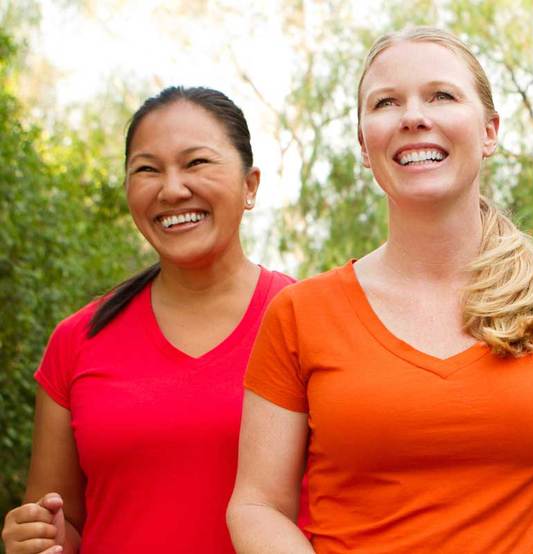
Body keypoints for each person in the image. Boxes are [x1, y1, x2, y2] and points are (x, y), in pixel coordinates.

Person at [227, 26, 533, 553]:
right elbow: (257, 506)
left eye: (441, 96)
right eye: (386, 103)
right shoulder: (299, 314)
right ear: (364, 143)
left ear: (490, 131)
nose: (412, 117)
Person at [1, 86, 306, 554]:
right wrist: (37, 538)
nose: (171, 189)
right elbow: (61, 522)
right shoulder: (77, 339)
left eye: (197, 163)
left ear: (250, 185)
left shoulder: (309, 319)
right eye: (146, 169)